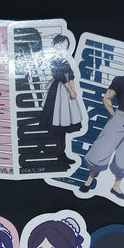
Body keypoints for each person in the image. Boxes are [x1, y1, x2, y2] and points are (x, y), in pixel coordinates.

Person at [79, 57, 124, 200]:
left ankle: (116, 186)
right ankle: (89, 180)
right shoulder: (119, 81)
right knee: (102, 149)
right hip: (119, 117)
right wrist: (113, 114)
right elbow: (106, 98)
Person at [40, 34, 83, 168]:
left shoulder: (65, 58)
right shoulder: (54, 59)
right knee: (59, 125)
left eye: (66, 46)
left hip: (67, 91)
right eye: (63, 45)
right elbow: (60, 76)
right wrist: (71, 90)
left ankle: (62, 155)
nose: (64, 48)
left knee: (63, 127)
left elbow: (71, 75)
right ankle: (59, 157)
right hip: (58, 92)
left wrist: (73, 90)